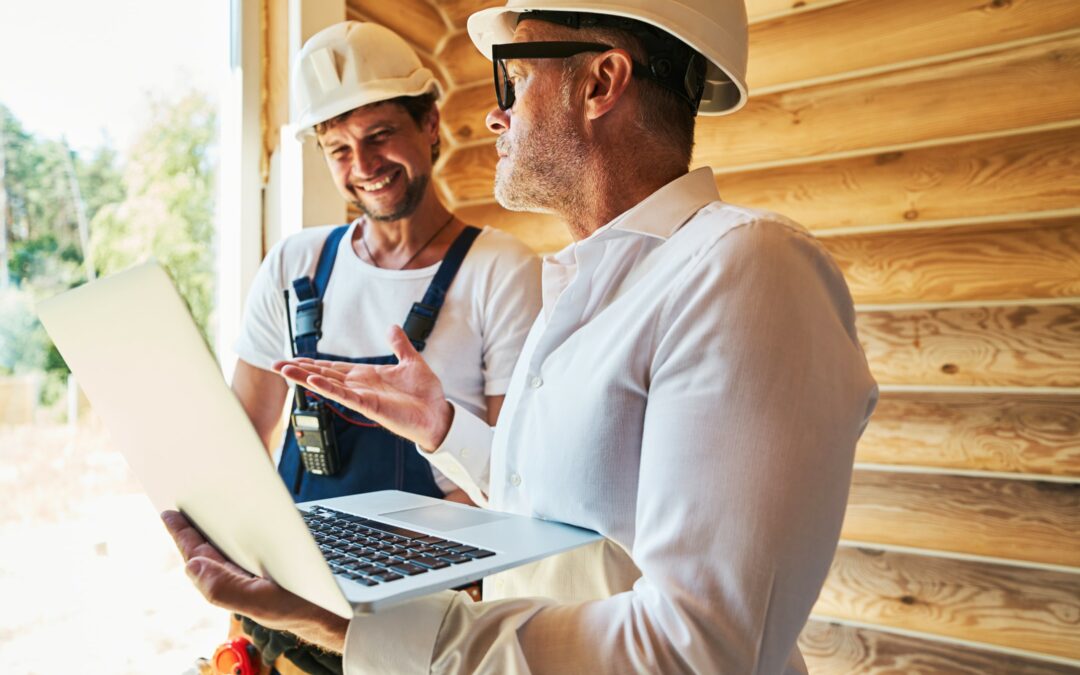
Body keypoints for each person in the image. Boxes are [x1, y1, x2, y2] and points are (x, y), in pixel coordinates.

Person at [165, 1, 879, 672]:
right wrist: (443, 428)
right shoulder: (590, 284)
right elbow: (571, 515)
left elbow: (694, 649)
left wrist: (355, 631)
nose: (494, 113)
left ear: (600, 81)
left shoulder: (747, 267)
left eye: (513, 75)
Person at [230, 21, 541, 505]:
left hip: (441, 567)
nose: (364, 165)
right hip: (308, 567)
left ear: (430, 123)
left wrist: (410, 573)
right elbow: (242, 441)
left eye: (380, 135)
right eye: (339, 150)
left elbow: (512, 470)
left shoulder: (501, 270)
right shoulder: (295, 265)